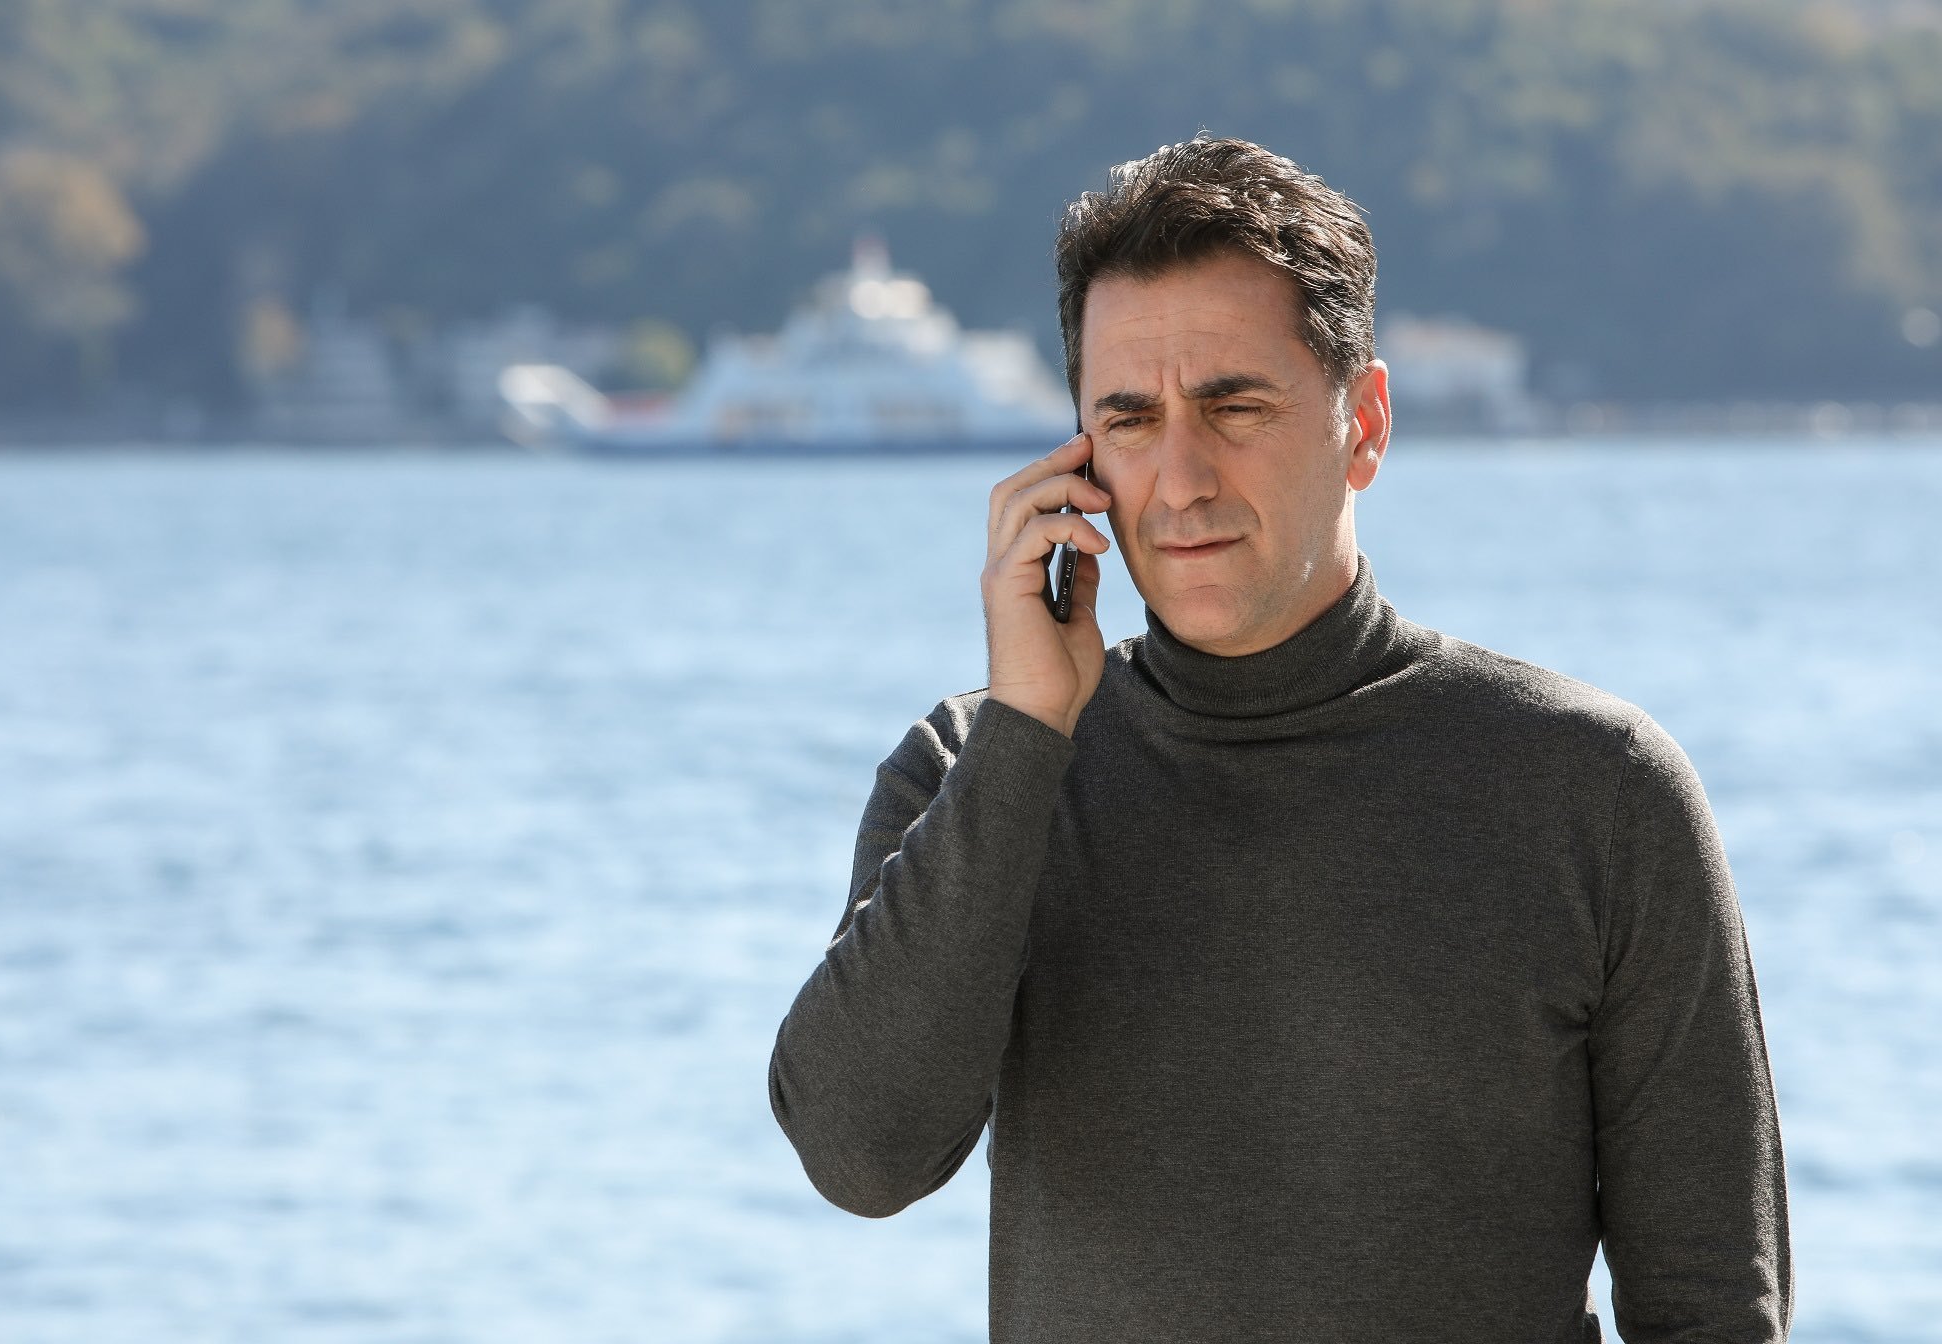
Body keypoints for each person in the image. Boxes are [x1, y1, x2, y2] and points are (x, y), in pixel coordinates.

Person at [767, 133, 1793, 1343]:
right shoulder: (974, 770)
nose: (1180, 480)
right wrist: (1028, 731)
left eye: (1235, 407)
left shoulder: (1597, 790)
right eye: (1130, 420)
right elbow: (861, 1156)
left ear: (1364, 424)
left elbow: (1712, 1310)